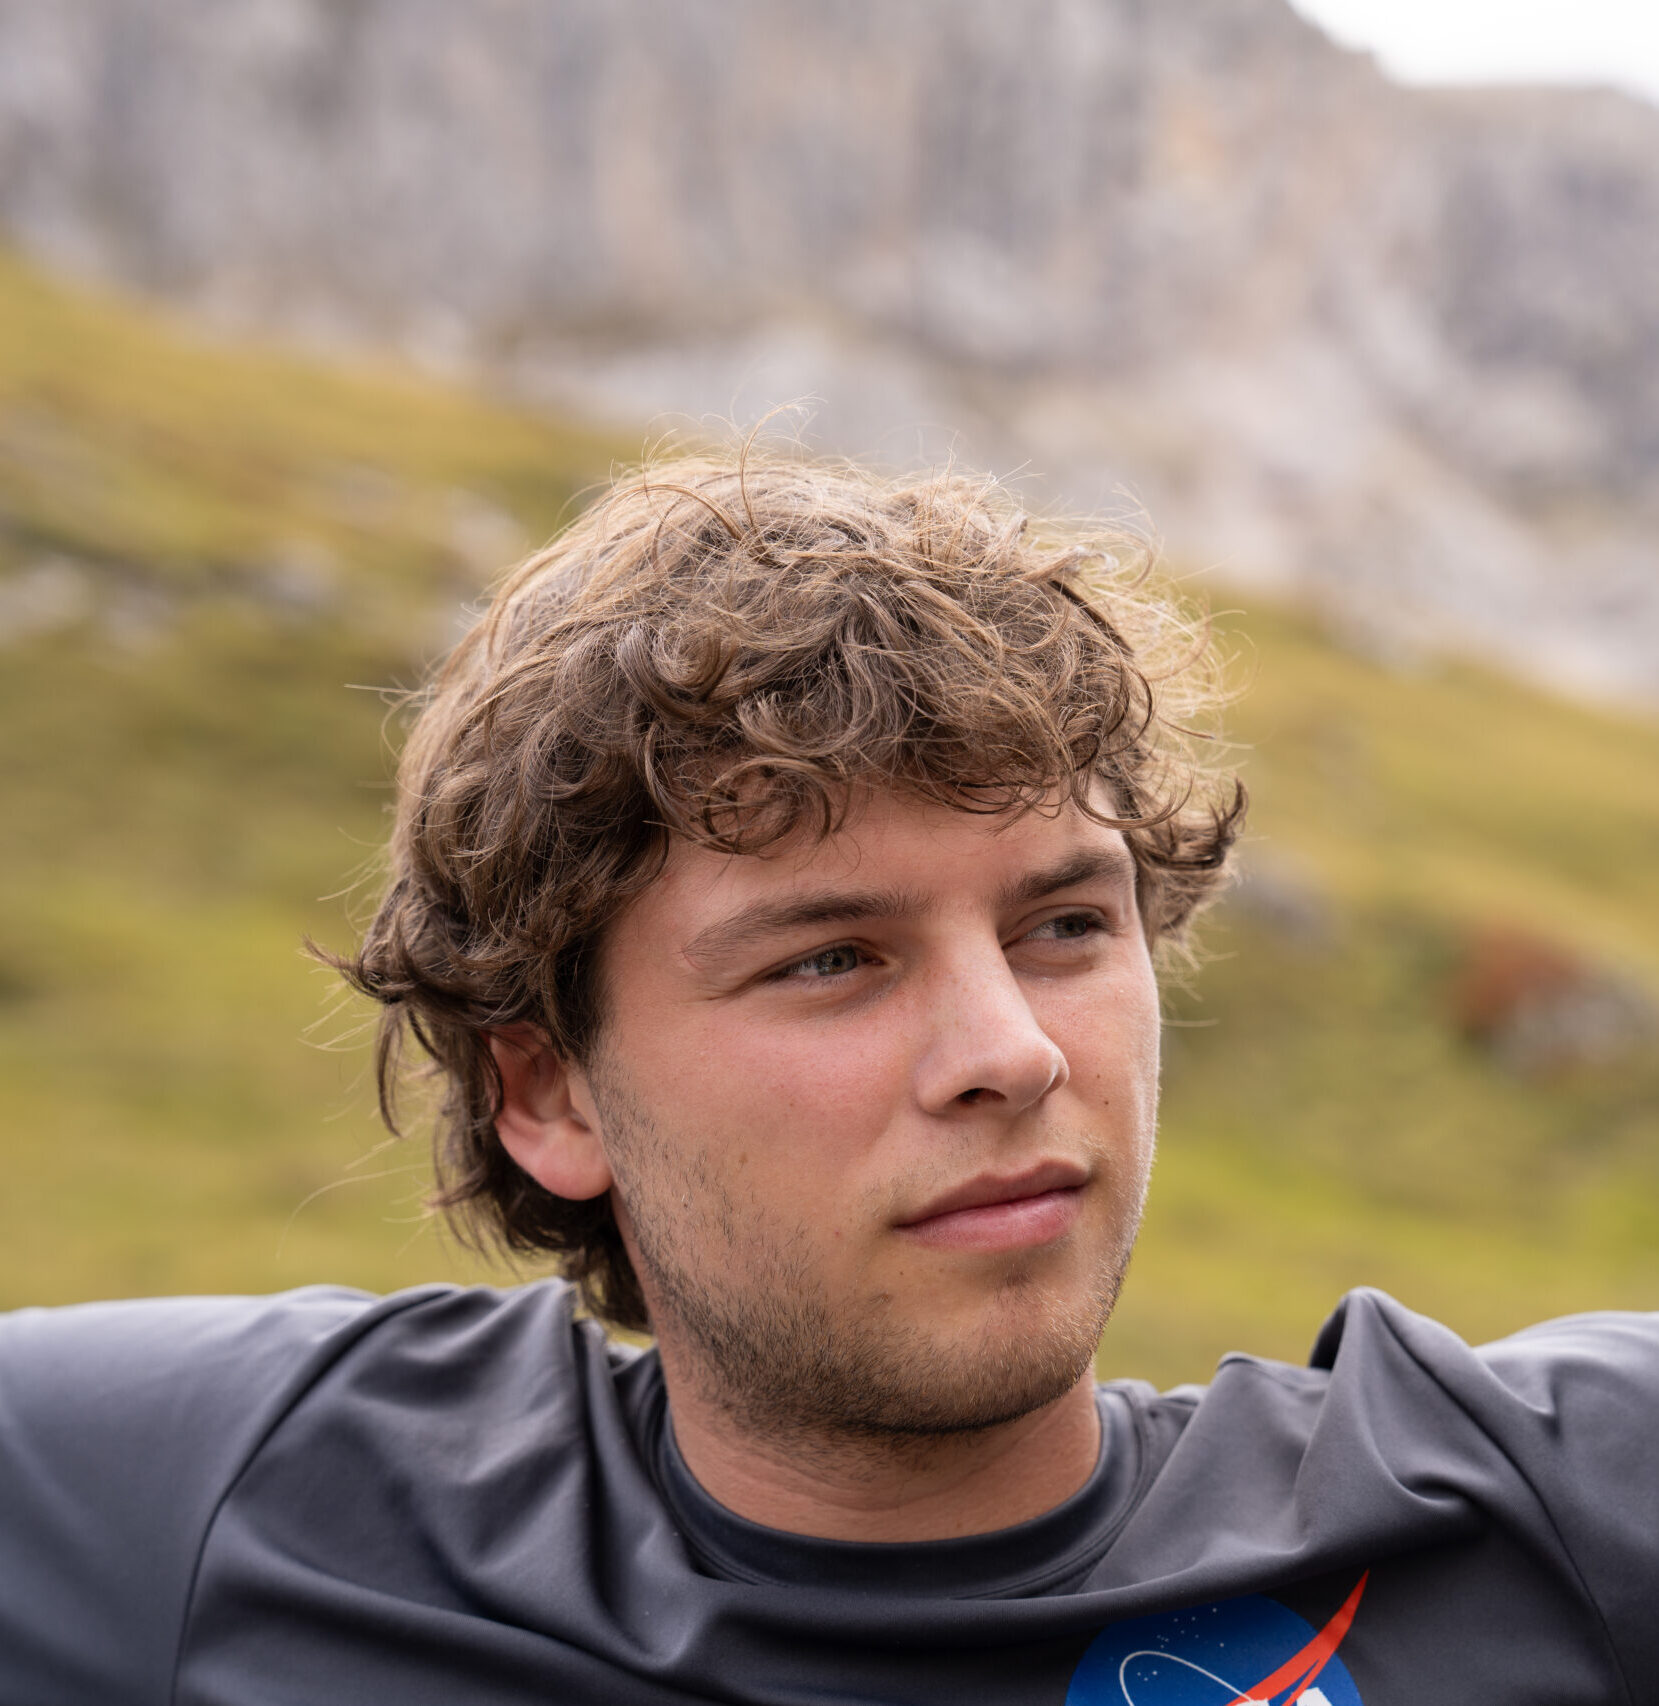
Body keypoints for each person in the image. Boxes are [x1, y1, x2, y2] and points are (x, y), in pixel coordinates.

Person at [1, 452, 1655, 1706]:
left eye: (1066, 921)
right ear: (548, 1094)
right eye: (831, 958)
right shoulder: (234, 1498)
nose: (1009, 1048)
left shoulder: (1541, 1513)